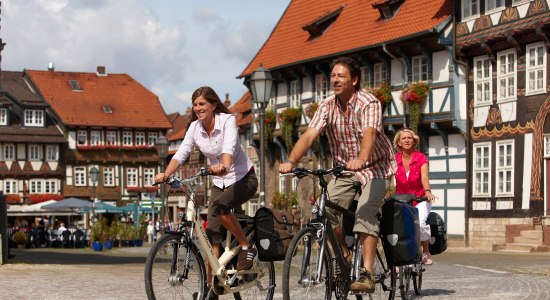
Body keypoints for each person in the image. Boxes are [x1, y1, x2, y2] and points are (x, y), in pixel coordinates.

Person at [279, 56, 396, 293]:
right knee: (323, 212)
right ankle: (342, 252)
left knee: (365, 211)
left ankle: (367, 273)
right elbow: (310, 135)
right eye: (333, 76)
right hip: (344, 169)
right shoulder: (327, 105)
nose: (335, 79)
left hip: (376, 167)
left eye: (341, 76)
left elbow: (370, 133)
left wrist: (362, 158)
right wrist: (291, 161)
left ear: (354, 80)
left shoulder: (369, 102)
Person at [154, 87, 258, 285]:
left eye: (202, 104)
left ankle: (246, 246)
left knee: (220, 207)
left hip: (244, 178)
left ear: (213, 105)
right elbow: (182, 153)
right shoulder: (194, 128)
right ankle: (211, 288)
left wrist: (224, 166)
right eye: (195, 105)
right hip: (219, 182)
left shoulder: (228, 121)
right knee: (211, 236)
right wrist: (166, 174)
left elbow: (228, 147)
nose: (198, 108)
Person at [392, 128, 438, 265]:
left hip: (419, 198)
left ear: (414, 141)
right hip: (402, 200)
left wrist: (427, 191)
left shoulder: (421, 158)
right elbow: (389, 178)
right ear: (399, 143)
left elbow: (424, 176)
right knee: (397, 229)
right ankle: (398, 261)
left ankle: (425, 250)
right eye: (403, 138)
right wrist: (386, 194)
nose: (407, 140)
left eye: (409, 138)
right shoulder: (395, 160)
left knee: (421, 223)